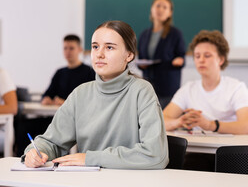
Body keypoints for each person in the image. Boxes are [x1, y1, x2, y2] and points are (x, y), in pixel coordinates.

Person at [23, 20, 168, 169]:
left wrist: (90, 158)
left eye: (109, 47)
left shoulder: (142, 91)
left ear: (129, 55)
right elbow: (51, 142)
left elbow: (155, 155)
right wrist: (34, 152)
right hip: (88, 181)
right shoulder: (80, 94)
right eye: (95, 47)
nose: (99, 54)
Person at [163, 30, 248, 171]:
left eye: (207, 56)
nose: (201, 60)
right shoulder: (189, 88)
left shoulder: (236, 87)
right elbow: (161, 120)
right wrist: (179, 122)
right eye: (197, 56)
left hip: (230, 153)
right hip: (199, 153)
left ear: (221, 59)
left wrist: (210, 125)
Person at [138, 0, 186, 109]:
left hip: (167, 86)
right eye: (158, 6)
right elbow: (141, 57)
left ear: (170, 13)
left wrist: (179, 61)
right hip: (148, 84)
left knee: (165, 120)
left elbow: (181, 56)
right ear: (152, 9)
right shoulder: (144, 34)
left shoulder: (175, 34)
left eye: (165, 7)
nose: (160, 9)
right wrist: (142, 64)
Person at [41, 34, 95, 105]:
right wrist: (46, 99)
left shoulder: (89, 72)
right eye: (65, 48)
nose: (68, 51)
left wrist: (66, 103)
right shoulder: (59, 72)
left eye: (71, 48)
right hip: (58, 113)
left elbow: (91, 99)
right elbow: (48, 94)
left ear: (80, 50)